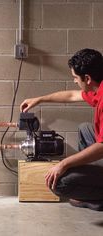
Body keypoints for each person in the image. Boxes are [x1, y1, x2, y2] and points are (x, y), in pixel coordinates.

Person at [20, 48, 103, 211]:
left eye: (75, 78)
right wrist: (40, 99)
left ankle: (98, 195)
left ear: (87, 78)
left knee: (60, 183)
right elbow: (72, 95)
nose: (74, 81)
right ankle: (94, 188)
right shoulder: (98, 88)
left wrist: (63, 164)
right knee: (85, 128)